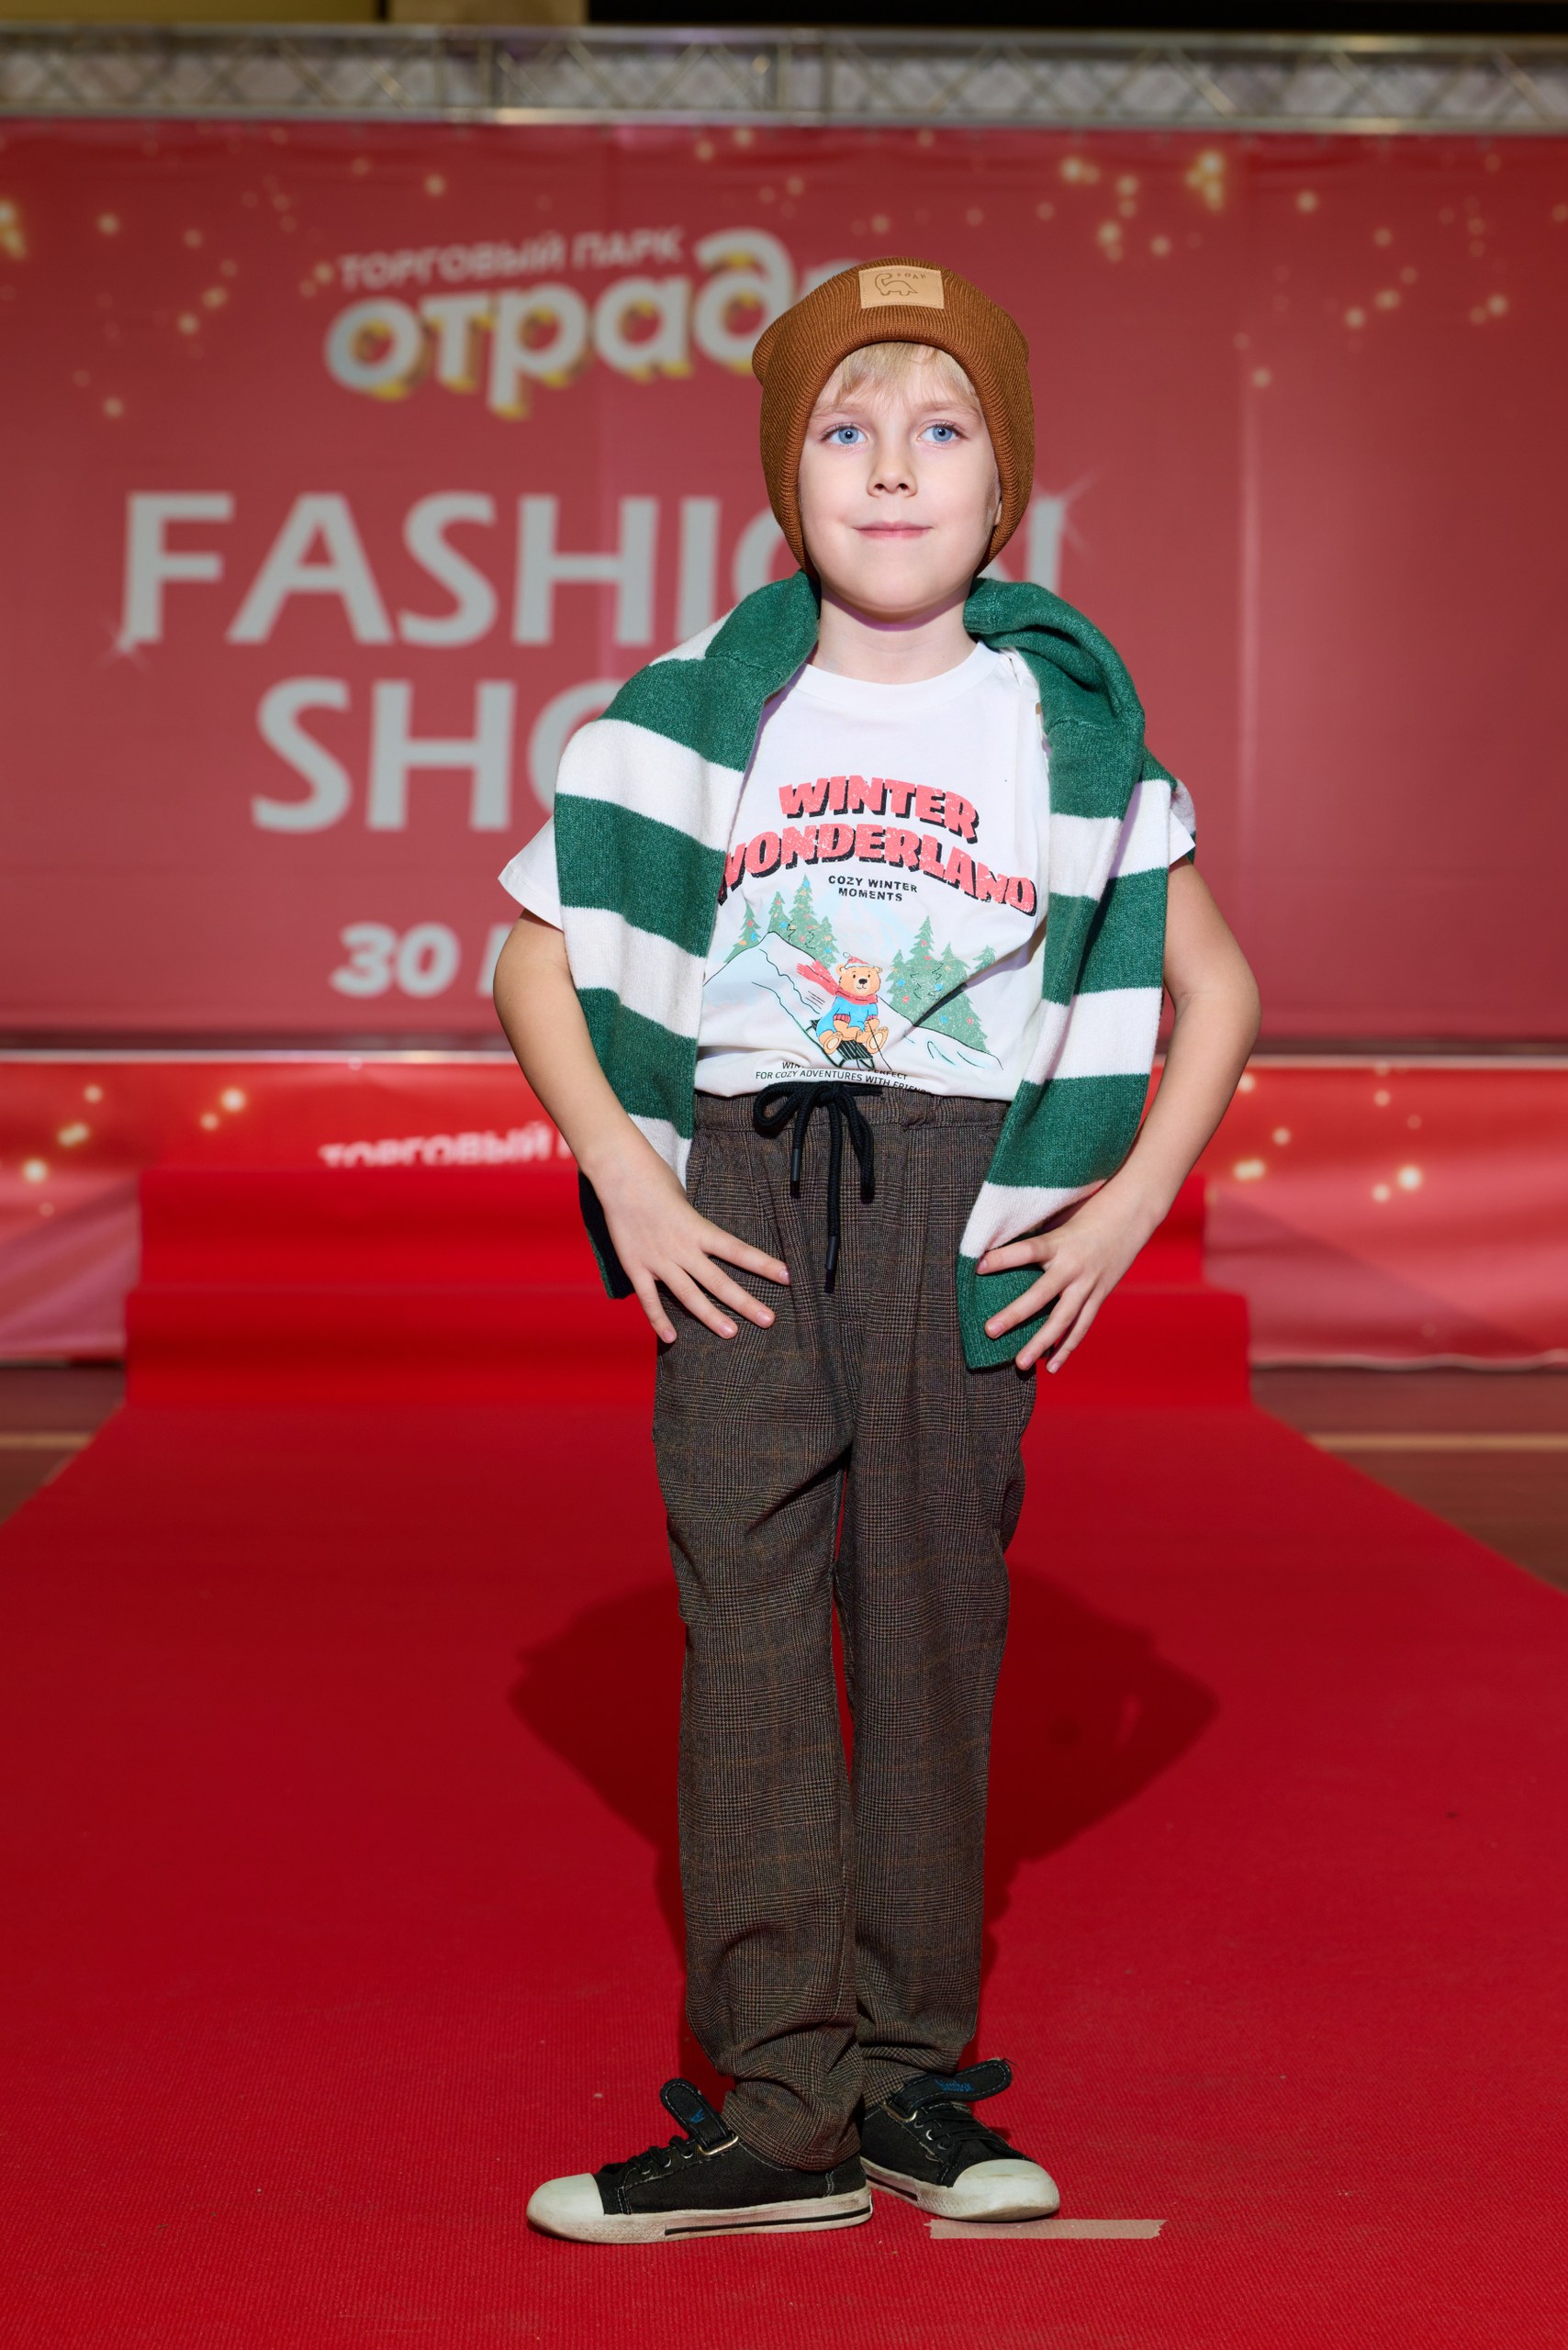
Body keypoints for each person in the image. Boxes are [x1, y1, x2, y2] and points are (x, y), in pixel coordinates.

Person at [492, 258, 1260, 2245]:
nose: (891, 468)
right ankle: (783, 2106)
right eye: (844, 427)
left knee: (927, 1622)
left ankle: (911, 2074)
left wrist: (1119, 1203)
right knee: (748, 1625)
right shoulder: (688, 718)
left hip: (957, 1198)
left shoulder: (1062, 726)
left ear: (1004, 483)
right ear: (785, 473)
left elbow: (1221, 989)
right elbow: (530, 958)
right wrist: (629, 1176)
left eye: (938, 428)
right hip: (739, 1194)